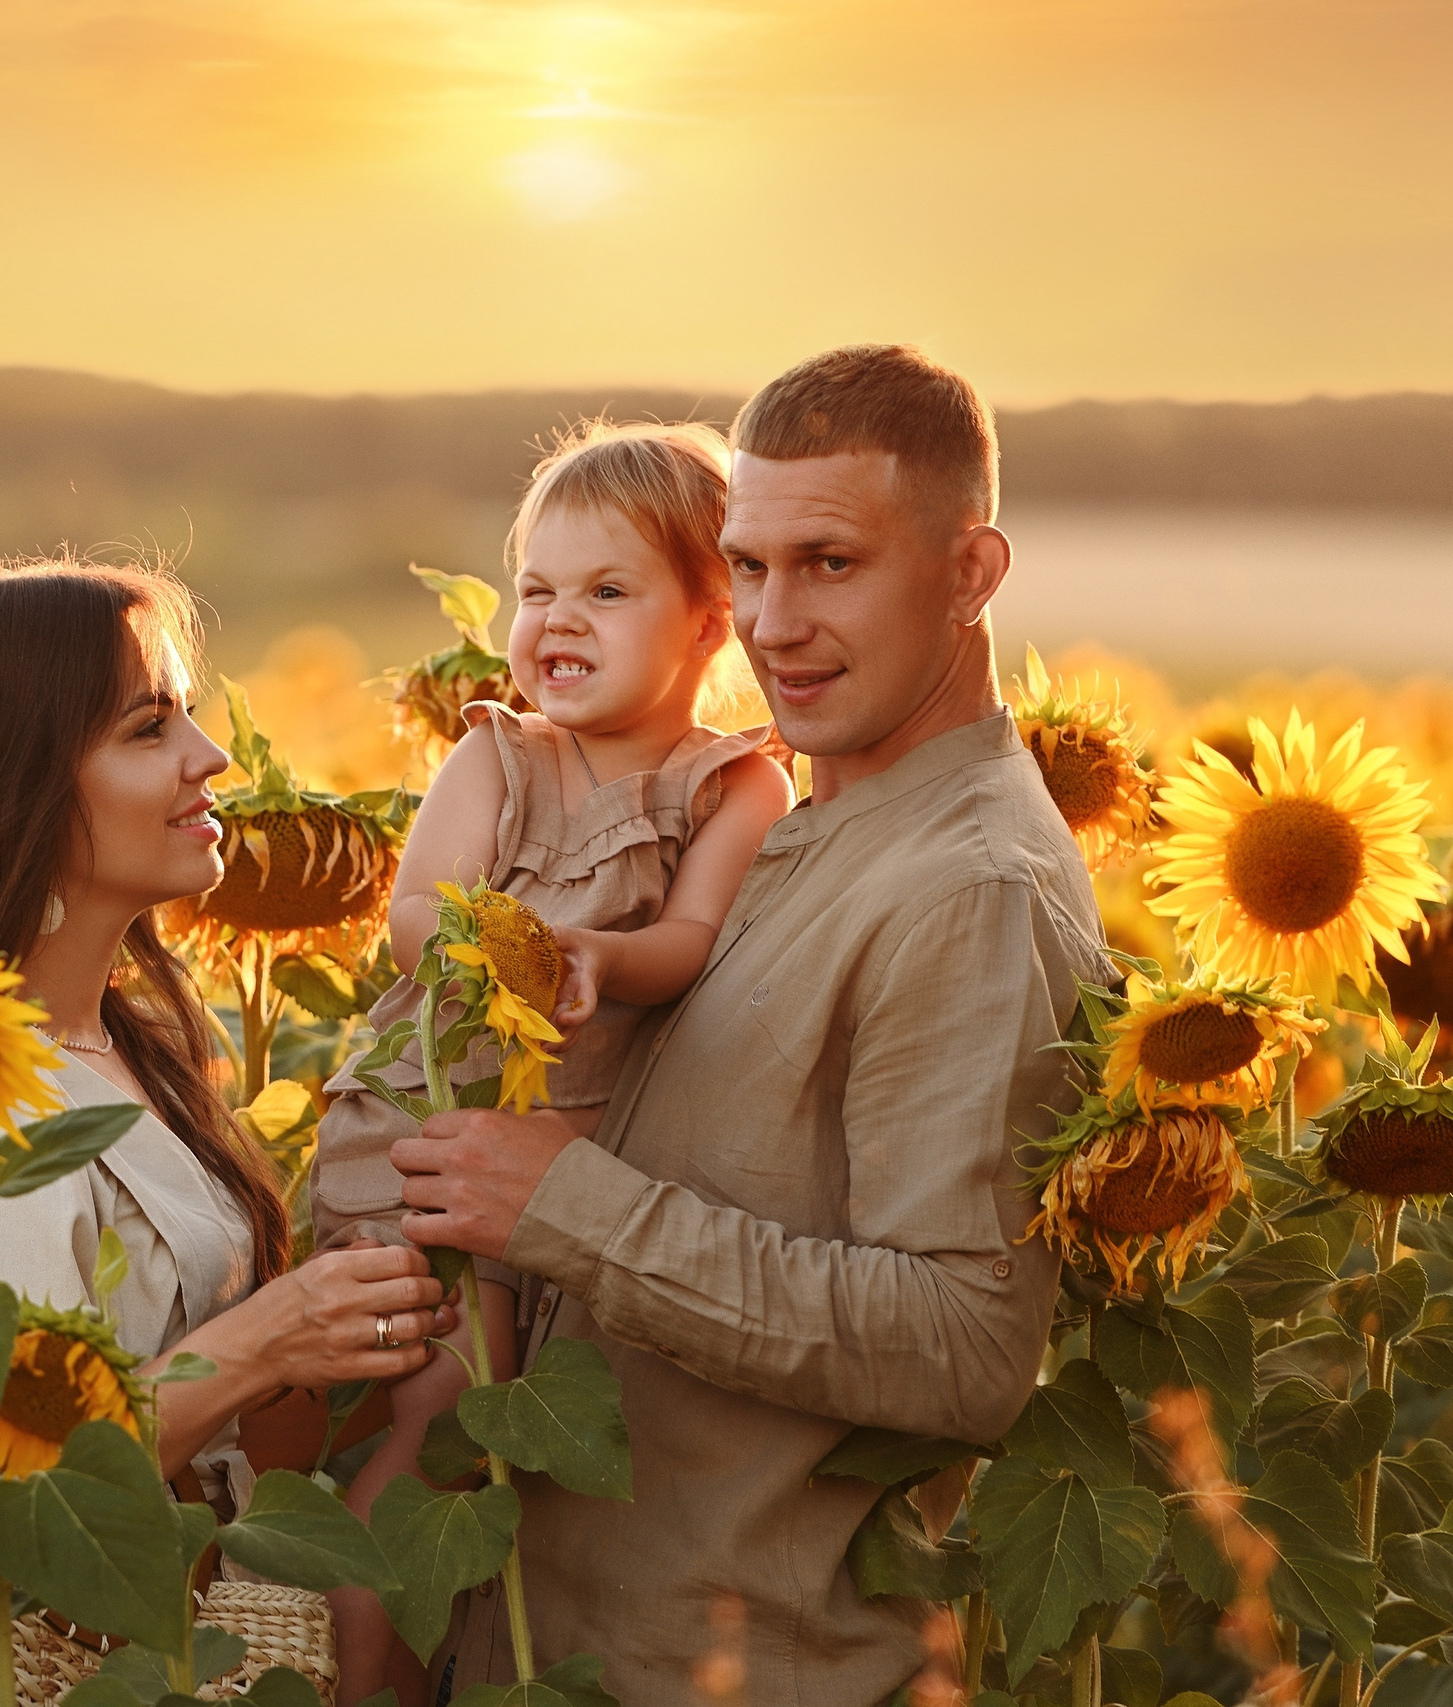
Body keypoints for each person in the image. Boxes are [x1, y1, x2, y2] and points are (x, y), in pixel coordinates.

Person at [388, 346, 1109, 1707]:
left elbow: (962, 1345)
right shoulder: (768, 817)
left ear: (970, 572)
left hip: (730, 1667)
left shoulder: (969, 886)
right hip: (558, 1648)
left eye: (831, 564)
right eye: (749, 567)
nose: (775, 622)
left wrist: (564, 1208)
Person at [0, 561, 457, 1506]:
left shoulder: (127, 1052)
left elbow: (212, 1456)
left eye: (188, 715)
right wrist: (258, 1343)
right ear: (12, 787)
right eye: (149, 728)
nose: (212, 756)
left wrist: (366, 1329)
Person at [308, 420, 791, 1707]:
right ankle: (353, 1648)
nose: (556, 620)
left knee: (516, 1445)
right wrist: (508, 954)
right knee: (443, 1418)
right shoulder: (498, 756)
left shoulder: (735, 790)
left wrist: (600, 956)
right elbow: (416, 916)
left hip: (579, 1173)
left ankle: (438, 1653)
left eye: (607, 591)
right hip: (432, 1134)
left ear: (711, 621)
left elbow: (689, 941)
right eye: (536, 590)